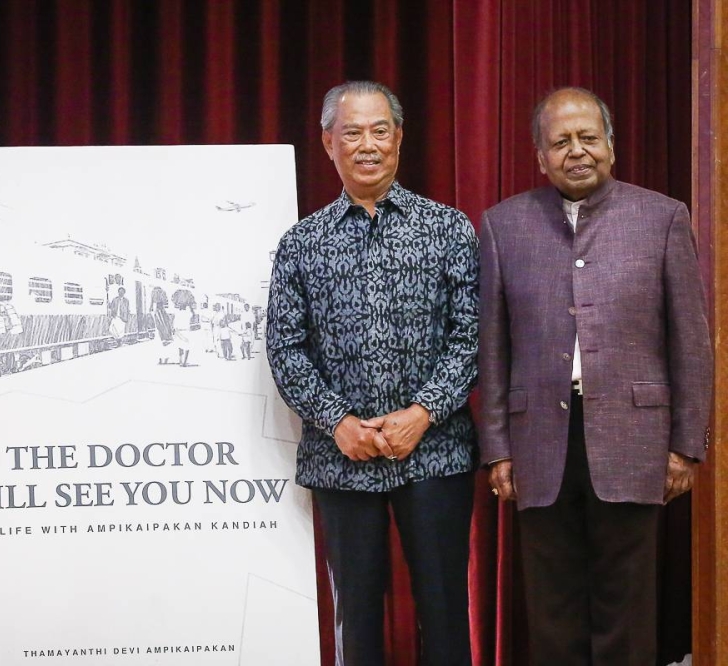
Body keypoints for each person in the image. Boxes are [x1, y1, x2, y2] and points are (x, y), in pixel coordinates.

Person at [478, 87, 713, 665]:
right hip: (538, 444)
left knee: (626, 603)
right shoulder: (504, 226)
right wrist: (497, 450)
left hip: (636, 437)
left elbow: (690, 340)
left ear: (611, 145)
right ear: (540, 156)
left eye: (589, 138)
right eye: (561, 142)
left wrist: (686, 445)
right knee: (552, 604)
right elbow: (493, 349)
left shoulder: (662, 217)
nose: (577, 151)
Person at [266, 81, 479, 666]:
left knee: (443, 614)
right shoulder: (300, 245)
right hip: (342, 458)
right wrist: (338, 422)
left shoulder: (449, 229)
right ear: (328, 143)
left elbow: (471, 340)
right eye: (352, 132)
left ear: (399, 139)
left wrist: (423, 413)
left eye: (380, 131)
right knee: (356, 620)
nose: (367, 145)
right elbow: (285, 349)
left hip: (435, 453)